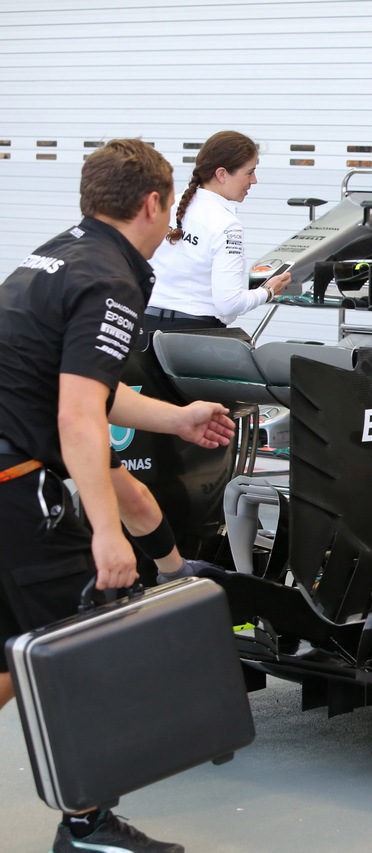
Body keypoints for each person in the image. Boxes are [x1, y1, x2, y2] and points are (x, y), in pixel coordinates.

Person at [0, 138, 236, 853]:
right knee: (85, 645)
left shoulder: (61, 251)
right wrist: (107, 531)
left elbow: (88, 390)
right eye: (171, 209)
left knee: (12, 655)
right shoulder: (113, 279)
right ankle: (89, 828)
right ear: (153, 204)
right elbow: (77, 417)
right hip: (16, 486)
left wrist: (177, 417)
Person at [144, 130, 291, 332]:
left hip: (145, 327)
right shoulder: (227, 224)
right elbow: (229, 303)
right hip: (191, 336)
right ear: (221, 174)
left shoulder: (168, 204)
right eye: (249, 172)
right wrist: (268, 291)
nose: (254, 180)